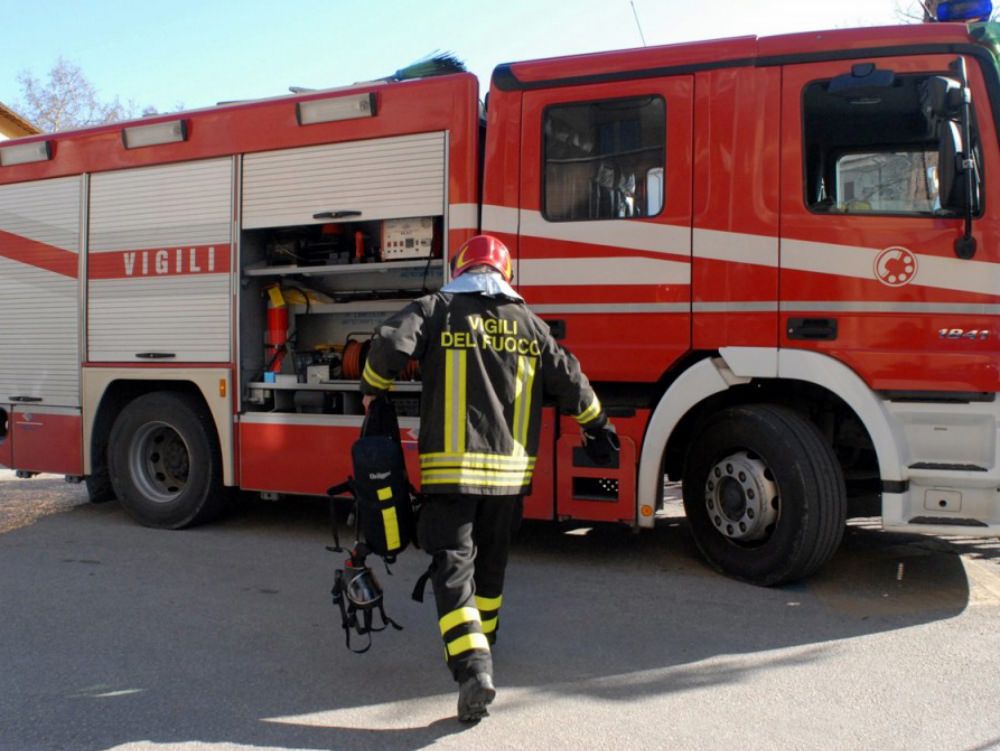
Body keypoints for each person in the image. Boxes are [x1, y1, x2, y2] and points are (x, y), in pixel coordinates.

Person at [360, 234, 617, 723]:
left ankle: (473, 667)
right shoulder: (532, 325)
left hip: (452, 474)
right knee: (491, 568)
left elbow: (390, 343)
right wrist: (598, 427)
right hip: (509, 481)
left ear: (460, 269)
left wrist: (372, 390)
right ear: (506, 275)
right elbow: (572, 381)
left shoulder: (436, 308)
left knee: (453, 566)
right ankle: (486, 643)